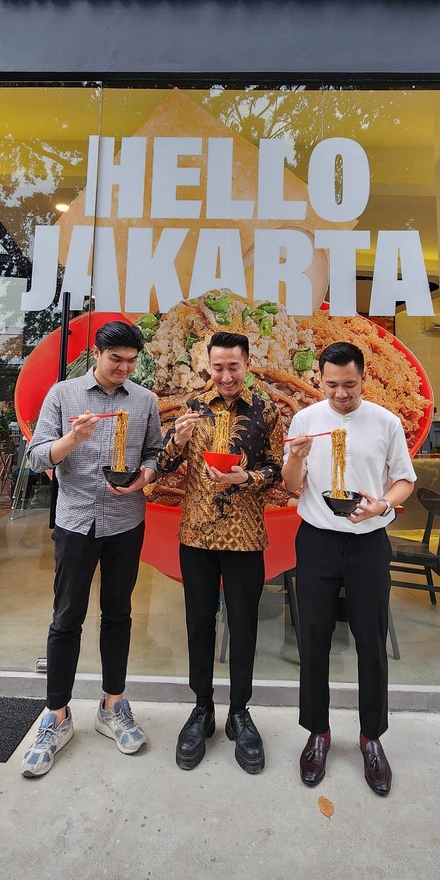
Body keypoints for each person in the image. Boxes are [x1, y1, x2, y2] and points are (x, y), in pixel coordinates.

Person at [20, 320, 163, 778]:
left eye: (130, 361)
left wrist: (144, 477)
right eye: (115, 359)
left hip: (126, 521)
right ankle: (56, 715)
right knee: (66, 617)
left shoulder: (145, 400)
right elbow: (36, 456)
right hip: (76, 520)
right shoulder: (64, 395)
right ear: (96, 356)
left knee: (118, 613)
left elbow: (155, 454)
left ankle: (113, 704)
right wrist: (72, 440)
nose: (123, 368)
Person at [282, 340, 415, 797]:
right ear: (320, 379)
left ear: (365, 377)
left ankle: (371, 737)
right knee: (313, 636)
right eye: (332, 384)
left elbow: (404, 480)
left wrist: (382, 505)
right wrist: (296, 457)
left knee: (370, 639)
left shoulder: (385, 421)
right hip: (317, 541)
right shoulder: (306, 419)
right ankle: (317, 733)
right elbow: (290, 486)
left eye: (350, 384)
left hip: (368, 543)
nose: (341, 393)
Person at [158, 330, 284, 775]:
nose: (226, 375)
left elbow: (277, 470)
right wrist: (176, 438)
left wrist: (246, 479)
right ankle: (202, 709)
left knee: (244, 624)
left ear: (247, 363)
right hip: (195, 535)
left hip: (246, 534)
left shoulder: (266, 408)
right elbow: (164, 464)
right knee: (197, 623)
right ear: (207, 366)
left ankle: (240, 712)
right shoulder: (192, 407)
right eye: (218, 367)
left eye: (234, 366)